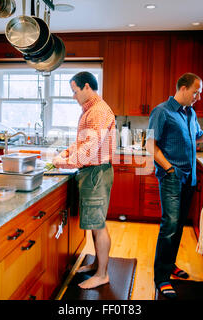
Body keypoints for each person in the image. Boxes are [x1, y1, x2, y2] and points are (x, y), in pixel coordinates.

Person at [146, 72, 203, 299]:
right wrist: (169, 169)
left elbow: (197, 136)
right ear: (182, 88)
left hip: (189, 178)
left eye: (200, 92)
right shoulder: (161, 112)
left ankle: (170, 264)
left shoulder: (190, 113)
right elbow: (149, 145)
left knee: (178, 225)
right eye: (196, 91)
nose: (198, 96)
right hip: (172, 177)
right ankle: (161, 277)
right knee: (170, 225)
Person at [52, 71, 116, 290]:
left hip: (96, 172)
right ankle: (98, 265)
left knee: (98, 225)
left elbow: (89, 150)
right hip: (93, 172)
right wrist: (66, 152)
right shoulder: (91, 110)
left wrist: (62, 162)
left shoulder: (97, 111)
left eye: (74, 91)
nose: (73, 96)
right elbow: (82, 143)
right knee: (94, 221)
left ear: (87, 87)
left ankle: (102, 274)